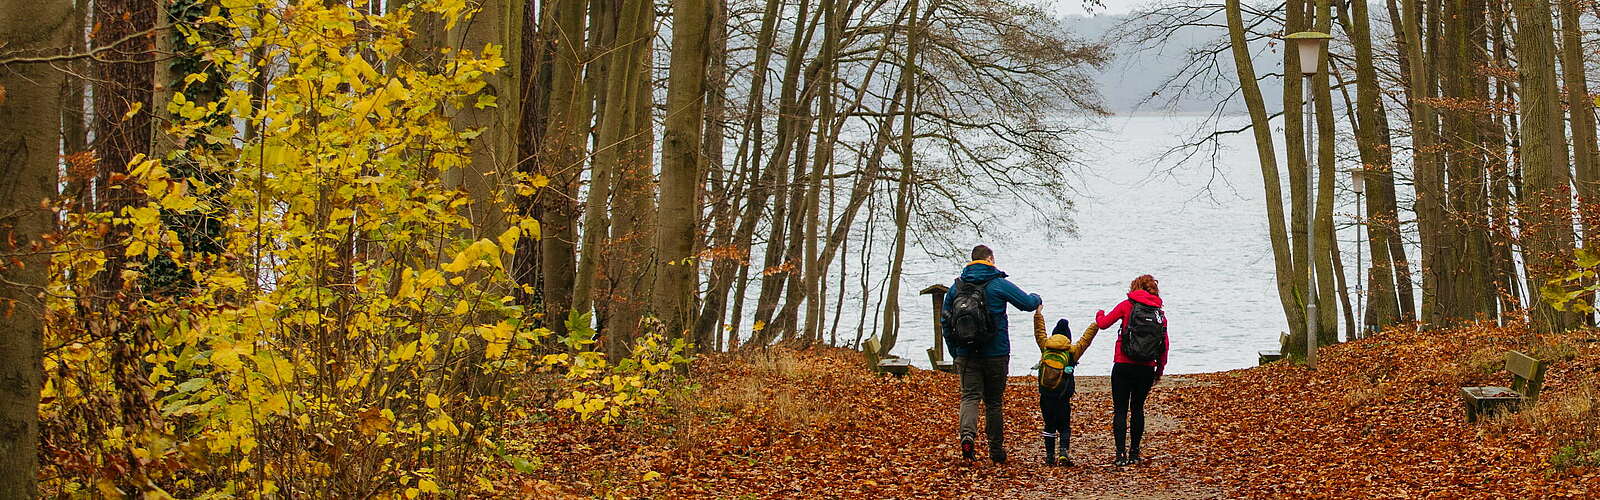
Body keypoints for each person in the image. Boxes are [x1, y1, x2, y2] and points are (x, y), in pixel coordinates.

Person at [942, 245, 1042, 463]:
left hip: (966, 354)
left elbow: (945, 321)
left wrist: (955, 352)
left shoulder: (956, 288)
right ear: (989, 259)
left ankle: (967, 437)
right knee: (993, 402)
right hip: (996, 353)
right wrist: (1037, 298)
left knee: (969, 397)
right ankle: (995, 450)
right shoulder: (997, 284)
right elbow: (1026, 303)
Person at [1091, 274, 1169, 466]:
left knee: (1120, 410)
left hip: (1123, 364)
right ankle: (1135, 453)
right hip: (1146, 368)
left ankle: (1120, 455)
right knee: (1137, 409)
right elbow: (1164, 344)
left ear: (1135, 287)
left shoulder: (1127, 305)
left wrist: (1099, 313)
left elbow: (1103, 324)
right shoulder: (1159, 313)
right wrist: (1159, 369)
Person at [1031, 310, 1100, 466]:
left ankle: (1049, 456)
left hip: (1046, 395)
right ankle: (1063, 453)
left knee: (1048, 425)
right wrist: (1096, 324)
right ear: (1068, 337)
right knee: (1064, 426)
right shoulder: (1071, 352)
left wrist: (1038, 314)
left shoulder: (1045, 346)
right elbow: (1086, 340)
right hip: (1063, 396)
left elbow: (1039, 332)